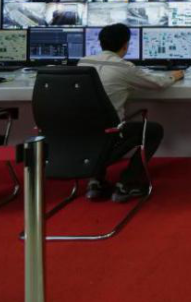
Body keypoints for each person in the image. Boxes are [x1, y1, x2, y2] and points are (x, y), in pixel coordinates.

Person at [77, 23, 183, 202]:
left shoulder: (83, 62)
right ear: (125, 45)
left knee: (95, 123)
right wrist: (175, 75)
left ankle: (96, 181)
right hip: (109, 136)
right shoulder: (124, 67)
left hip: (80, 137)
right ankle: (127, 183)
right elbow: (158, 84)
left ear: (100, 43)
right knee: (154, 131)